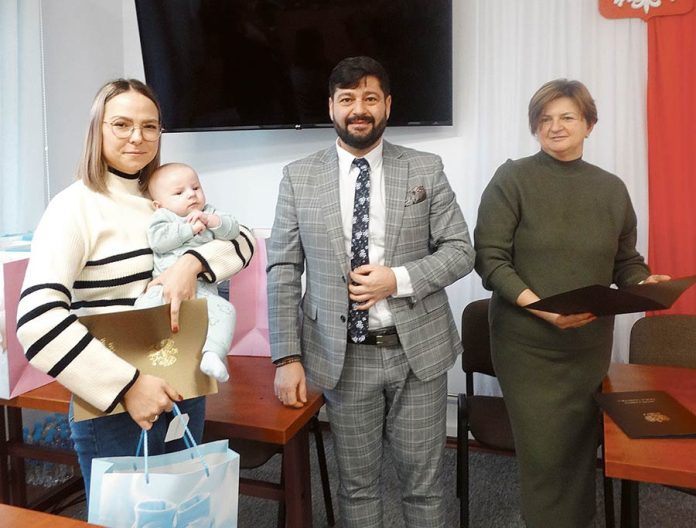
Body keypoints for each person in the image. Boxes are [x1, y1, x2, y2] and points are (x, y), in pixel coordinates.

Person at [15, 79, 254, 496]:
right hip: (115, 402)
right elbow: (37, 321)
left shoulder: (161, 196)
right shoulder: (73, 207)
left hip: (184, 385)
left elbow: (243, 240)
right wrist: (128, 386)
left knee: (186, 512)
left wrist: (191, 264)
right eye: (122, 124)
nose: (137, 137)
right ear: (97, 128)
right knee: (131, 518)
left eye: (150, 126)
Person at [267, 56, 475, 528]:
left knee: (423, 487)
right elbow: (282, 268)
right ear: (331, 107)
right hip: (343, 357)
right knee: (357, 487)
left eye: (369, 98)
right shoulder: (298, 177)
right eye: (347, 99)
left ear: (387, 105)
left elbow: (461, 250)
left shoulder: (425, 168)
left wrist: (396, 279)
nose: (358, 109)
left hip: (416, 353)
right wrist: (286, 357)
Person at [474, 79, 670, 528]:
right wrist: (542, 307)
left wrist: (644, 281)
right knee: (544, 458)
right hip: (528, 349)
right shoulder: (513, 179)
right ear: (534, 126)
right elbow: (490, 259)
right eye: (544, 119)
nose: (555, 126)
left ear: (589, 124)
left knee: (580, 452)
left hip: (587, 348)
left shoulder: (611, 189)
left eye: (567, 117)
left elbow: (625, 261)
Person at [134, 162, 240, 383]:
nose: (191, 195)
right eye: (179, 193)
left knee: (227, 311)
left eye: (196, 187)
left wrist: (213, 222)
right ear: (159, 204)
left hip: (203, 293)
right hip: (163, 290)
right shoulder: (163, 218)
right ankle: (140, 354)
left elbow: (233, 231)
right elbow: (159, 241)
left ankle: (212, 354)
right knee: (141, 307)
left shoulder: (209, 212)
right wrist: (189, 229)